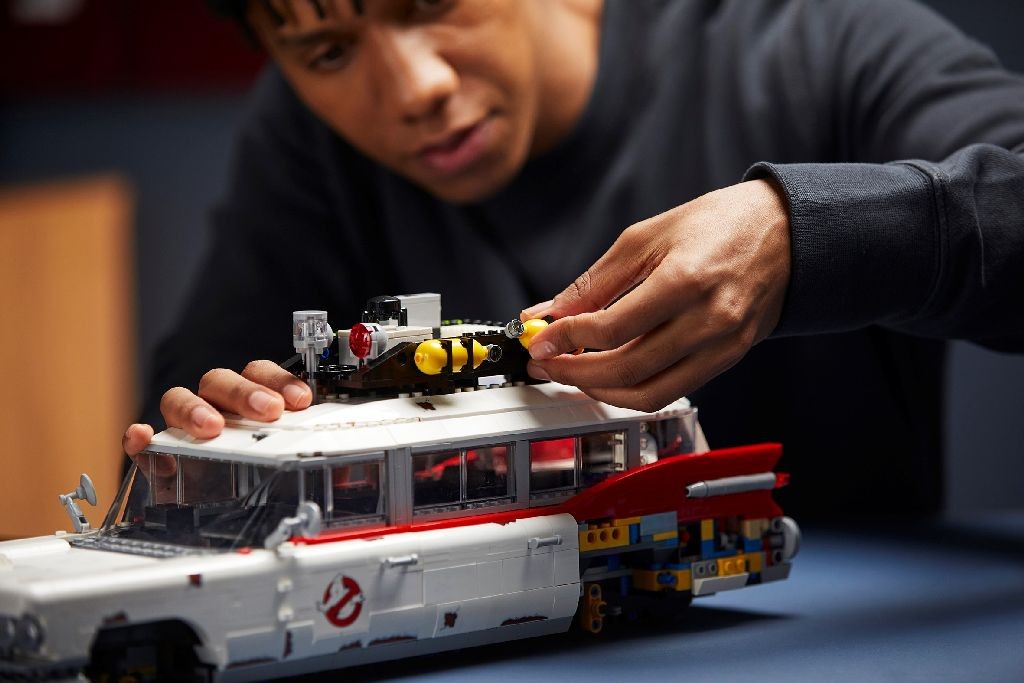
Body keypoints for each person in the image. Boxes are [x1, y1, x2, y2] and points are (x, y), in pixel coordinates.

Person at [124, 0, 1024, 519]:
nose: (415, 88)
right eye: (327, 52)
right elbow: (193, 409)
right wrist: (219, 432)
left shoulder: (815, 38)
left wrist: (803, 231)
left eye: (429, 2)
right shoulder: (307, 141)